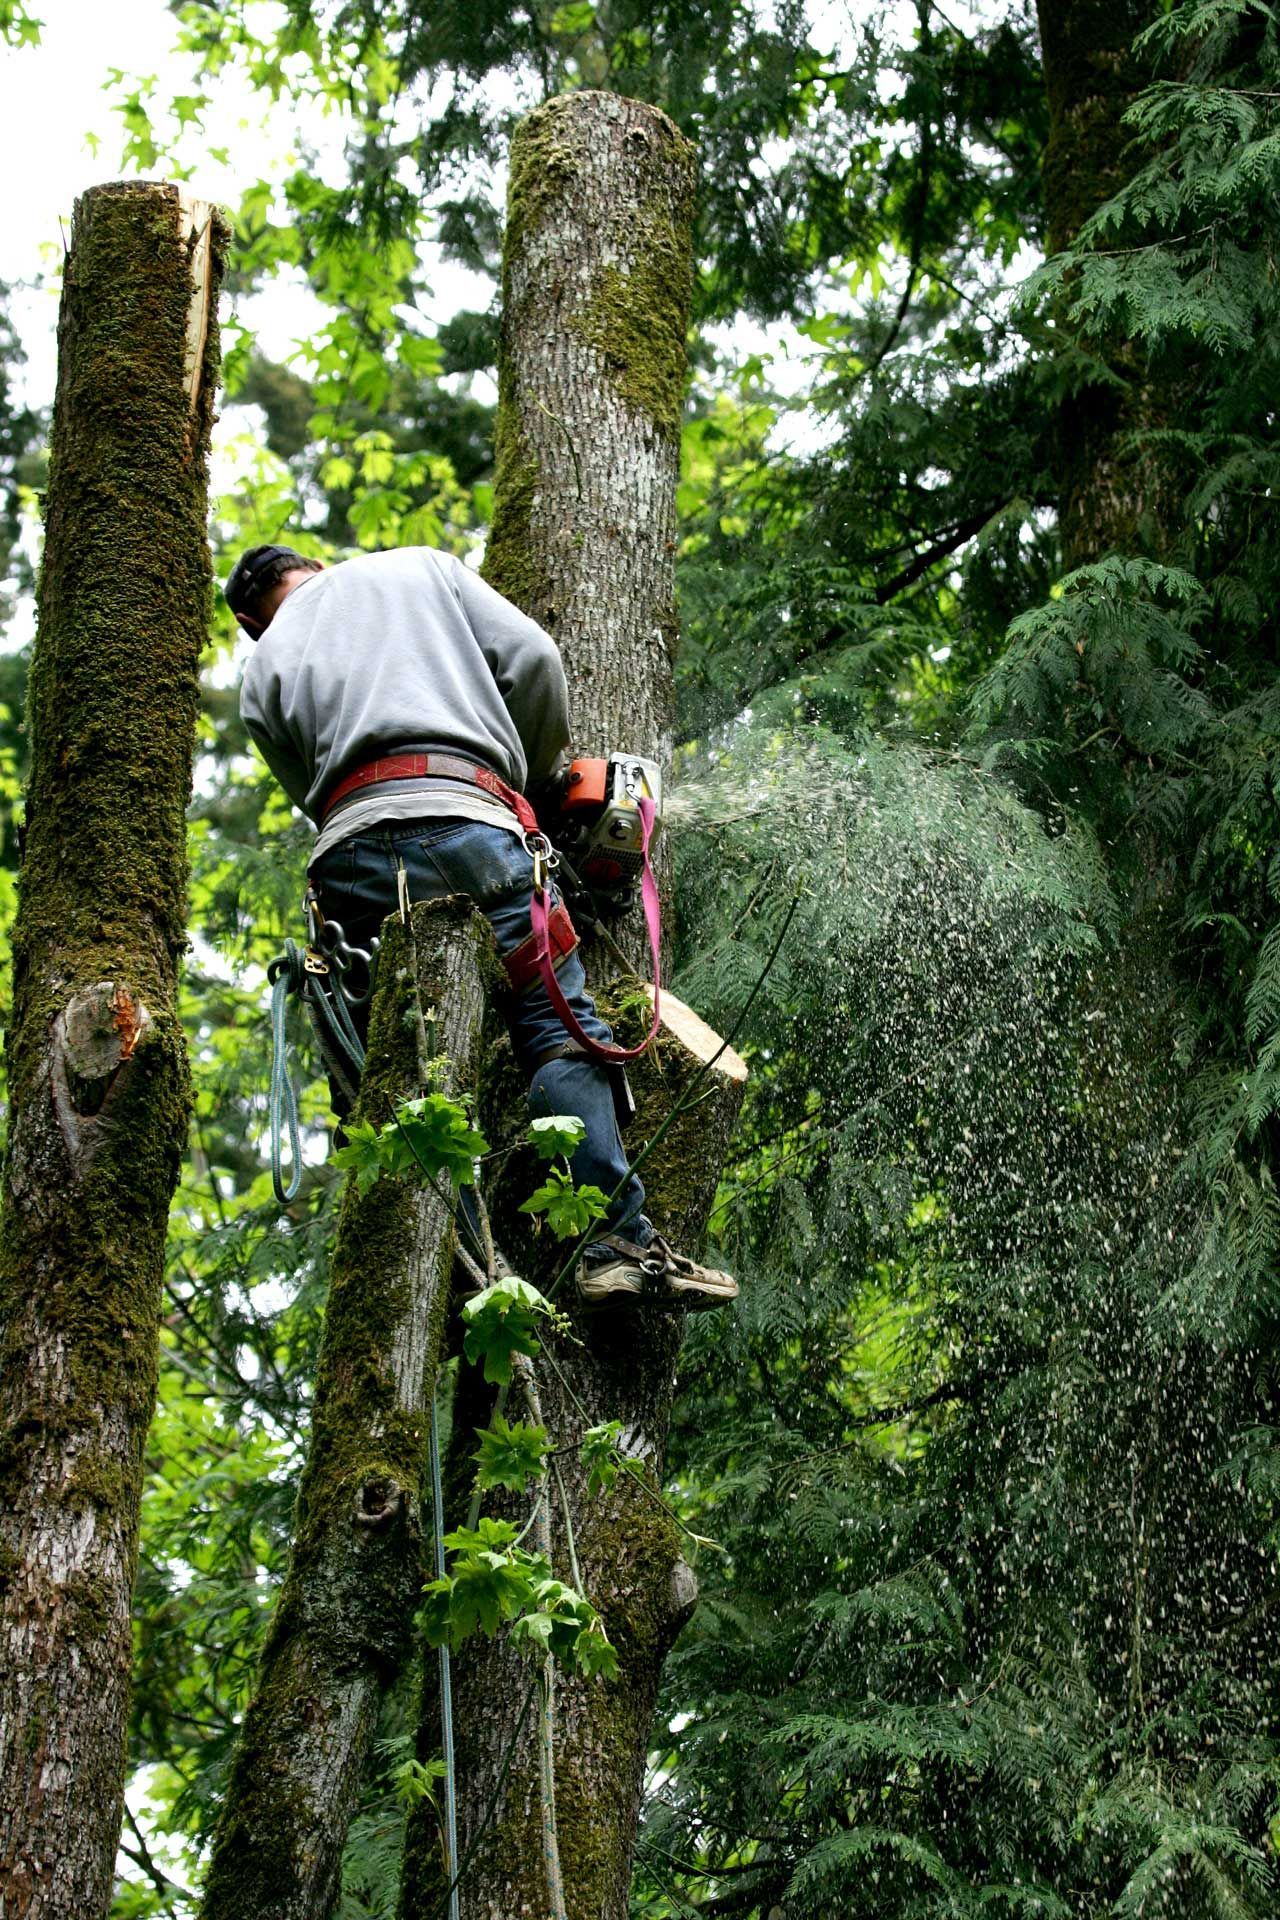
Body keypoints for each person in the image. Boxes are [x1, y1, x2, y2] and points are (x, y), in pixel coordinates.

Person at [230, 542, 736, 1312]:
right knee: (555, 1026)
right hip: (470, 820)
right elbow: (533, 659)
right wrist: (532, 777)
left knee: (386, 1078)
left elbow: (310, 790)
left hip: (350, 865)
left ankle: (427, 1286)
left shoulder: (260, 669)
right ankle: (613, 1245)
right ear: (322, 565)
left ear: (247, 619)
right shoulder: (417, 568)